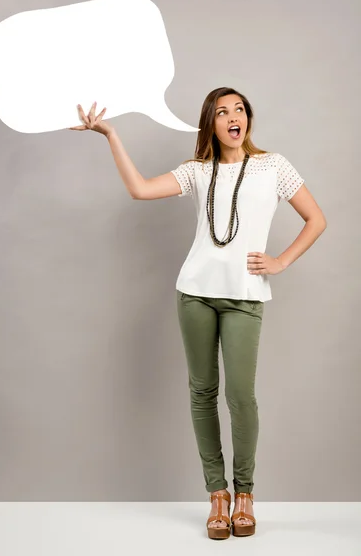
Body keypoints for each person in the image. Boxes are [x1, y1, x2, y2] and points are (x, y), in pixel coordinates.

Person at [69, 88, 327, 540]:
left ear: (248, 118)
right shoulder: (197, 171)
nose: (233, 117)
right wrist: (110, 134)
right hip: (195, 293)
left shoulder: (274, 166)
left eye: (240, 109)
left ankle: (245, 494)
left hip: (245, 295)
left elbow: (316, 219)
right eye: (222, 111)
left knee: (241, 396)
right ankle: (217, 497)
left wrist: (281, 261)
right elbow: (139, 189)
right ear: (210, 123)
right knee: (202, 392)